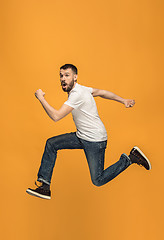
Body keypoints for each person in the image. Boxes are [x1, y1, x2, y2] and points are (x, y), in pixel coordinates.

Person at [26, 63, 151, 200]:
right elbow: (103, 93)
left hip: (94, 140)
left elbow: (56, 116)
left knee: (97, 180)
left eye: (67, 75)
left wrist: (41, 98)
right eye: (61, 76)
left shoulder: (77, 94)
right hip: (82, 136)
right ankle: (45, 187)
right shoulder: (83, 89)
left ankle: (130, 158)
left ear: (75, 77)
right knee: (51, 144)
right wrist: (123, 100)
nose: (63, 79)